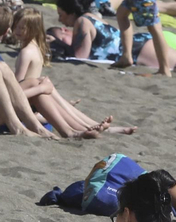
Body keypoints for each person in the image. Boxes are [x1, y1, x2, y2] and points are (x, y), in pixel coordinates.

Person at [12, 8, 133, 137]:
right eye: (16, 27)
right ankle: (91, 126)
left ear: (33, 29)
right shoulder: (36, 48)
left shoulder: (26, 52)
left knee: (52, 102)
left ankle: (88, 126)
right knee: (60, 103)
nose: (18, 31)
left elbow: (17, 86)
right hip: (34, 97)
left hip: (29, 100)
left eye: (22, 28)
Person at [52, 0, 123, 62]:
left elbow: (80, 57)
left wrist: (57, 42)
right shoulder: (90, 16)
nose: (59, 19)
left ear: (72, 13)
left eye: (61, 15)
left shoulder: (82, 21)